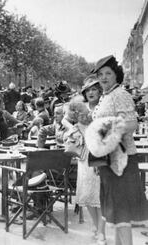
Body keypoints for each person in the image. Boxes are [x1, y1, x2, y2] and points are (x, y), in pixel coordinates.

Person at [90, 55, 148, 245]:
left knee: (122, 216)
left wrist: (106, 132)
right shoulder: (107, 96)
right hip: (109, 161)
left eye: (108, 73)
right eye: (100, 74)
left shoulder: (120, 94)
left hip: (122, 161)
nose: (104, 78)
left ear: (117, 75)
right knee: (116, 216)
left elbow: (132, 124)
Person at [66, 75, 106, 244]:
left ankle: (102, 232)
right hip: (84, 155)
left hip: (101, 151)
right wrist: (74, 130)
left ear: (99, 90)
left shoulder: (104, 107)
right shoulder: (79, 107)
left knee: (102, 194)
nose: (91, 92)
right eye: (88, 90)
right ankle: (96, 226)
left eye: (94, 89)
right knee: (88, 192)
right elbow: (64, 119)